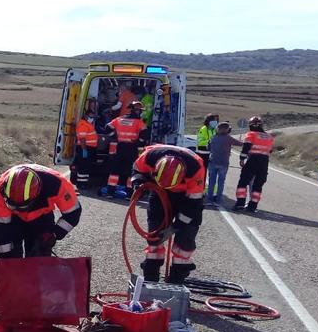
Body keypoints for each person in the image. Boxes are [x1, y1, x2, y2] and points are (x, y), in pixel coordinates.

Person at [130, 145, 206, 283]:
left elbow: (193, 205)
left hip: (187, 197)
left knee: (185, 238)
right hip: (159, 191)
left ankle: (177, 278)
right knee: (155, 235)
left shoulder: (196, 168)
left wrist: (176, 226)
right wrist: (138, 182)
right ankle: (151, 275)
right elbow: (137, 169)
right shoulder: (150, 156)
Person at [0, 163, 82, 259]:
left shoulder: (57, 184)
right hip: (14, 218)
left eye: (23, 207)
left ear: (37, 195)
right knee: (10, 255)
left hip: (41, 218)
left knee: (40, 259)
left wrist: (54, 234)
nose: (21, 211)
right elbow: (1, 228)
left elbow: (73, 213)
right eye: (14, 205)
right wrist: (6, 259)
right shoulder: (3, 189)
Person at [101, 101, 148, 199]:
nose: (140, 112)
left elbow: (107, 128)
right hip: (131, 148)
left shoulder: (120, 119)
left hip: (119, 147)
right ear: (135, 110)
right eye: (139, 110)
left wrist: (114, 137)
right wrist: (139, 142)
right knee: (130, 172)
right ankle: (129, 194)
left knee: (114, 171)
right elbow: (145, 133)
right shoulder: (139, 122)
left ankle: (110, 192)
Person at [232, 116, 275, 212]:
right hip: (264, 162)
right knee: (258, 185)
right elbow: (270, 150)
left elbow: (246, 148)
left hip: (253, 160)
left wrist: (242, 159)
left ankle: (240, 204)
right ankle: (252, 206)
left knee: (243, 182)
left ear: (251, 125)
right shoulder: (269, 137)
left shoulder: (251, 134)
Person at [205, 122, 242, 206]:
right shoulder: (228, 138)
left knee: (211, 182)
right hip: (223, 163)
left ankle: (209, 199)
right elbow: (240, 144)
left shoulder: (213, 137)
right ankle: (218, 200)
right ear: (227, 129)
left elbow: (208, 148)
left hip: (213, 161)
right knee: (221, 182)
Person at [72, 104, 100, 188]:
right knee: (83, 167)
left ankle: (84, 182)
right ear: (86, 116)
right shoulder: (83, 124)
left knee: (86, 166)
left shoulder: (87, 124)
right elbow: (82, 139)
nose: (92, 118)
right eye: (90, 116)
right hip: (84, 148)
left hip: (89, 148)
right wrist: (84, 150)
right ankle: (81, 184)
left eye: (93, 117)